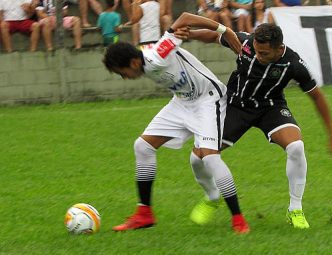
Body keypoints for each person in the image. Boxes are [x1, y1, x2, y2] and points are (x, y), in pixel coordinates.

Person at [176, 23, 332, 229]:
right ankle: (212, 196)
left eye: (264, 53)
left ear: (279, 49)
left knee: (296, 147)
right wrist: (189, 34)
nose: (257, 56)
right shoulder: (245, 43)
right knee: (197, 157)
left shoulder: (294, 64)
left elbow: (317, 96)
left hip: (270, 108)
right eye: (256, 50)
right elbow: (213, 35)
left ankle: (295, 209)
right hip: (236, 106)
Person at [102, 12, 249, 234]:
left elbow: (185, 17)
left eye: (122, 73)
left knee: (209, 158)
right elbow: (176, 32)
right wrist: (175, 34)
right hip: (182, 101)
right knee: (142, 146)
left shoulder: (155, 57)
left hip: (208, 99)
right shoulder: (144, 55)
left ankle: (238, 218)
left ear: (133, 62)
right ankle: (144, 214)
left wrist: (224, 30)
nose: (124, 77)